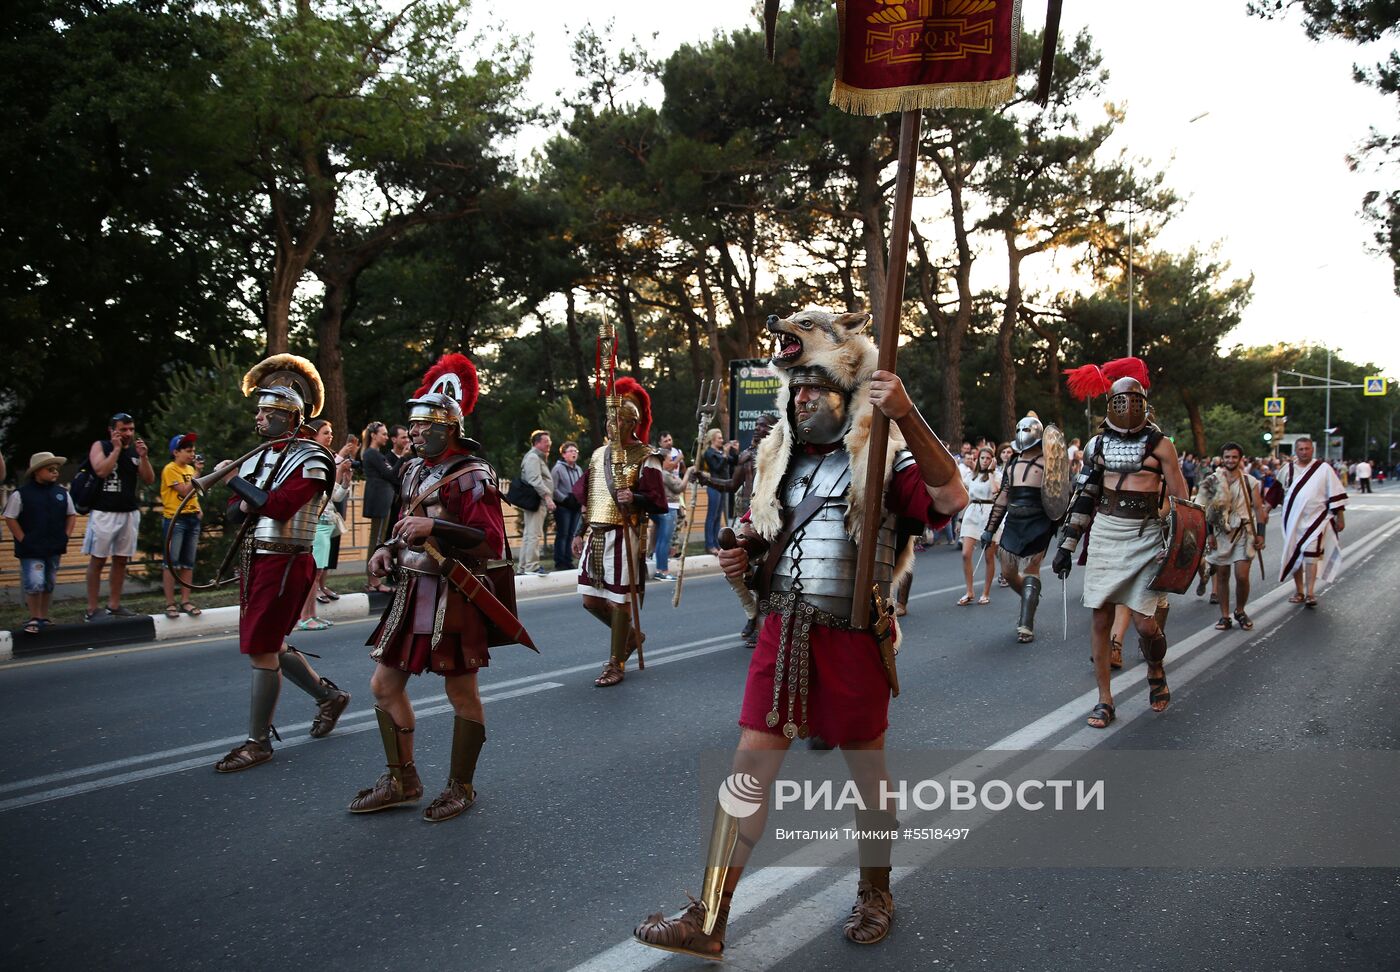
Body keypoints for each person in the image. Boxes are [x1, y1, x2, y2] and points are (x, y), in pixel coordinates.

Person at [632, 308, 967, 959]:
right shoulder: (775, 464)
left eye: (817, 386)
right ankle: (710, 915)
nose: (804, 397)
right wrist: (745, 563)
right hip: (783, 633)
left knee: (867, 775)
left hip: (852, 636)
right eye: (799, 387)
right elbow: (771, 556)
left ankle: (876, 891)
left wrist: (905, 413)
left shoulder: (882, 462)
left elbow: (952, 498)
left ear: (846, 395)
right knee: (747, 771)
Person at [352, 352, 510, 822]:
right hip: (410, 591)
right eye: (412, 426)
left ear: (450, 428)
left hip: (454, 593)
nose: (414, 433)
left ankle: (461, 786)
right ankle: (403, 779)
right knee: (383, 684)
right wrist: (386, 547)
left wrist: (435, 530)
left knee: (461, 693)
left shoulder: (474, 475)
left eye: (424, 426)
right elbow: (407, 522)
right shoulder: (414, 471)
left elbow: (489, 542)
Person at [208, 354, 352, 773]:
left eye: (266, 412)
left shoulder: (312, 458)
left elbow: (279, 508)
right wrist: (237, 488)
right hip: (259, 559)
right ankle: (328, 696)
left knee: (261, 649)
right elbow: (236, 512)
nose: (258, 419)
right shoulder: (257, 457)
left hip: (288, 560)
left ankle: (258, 744)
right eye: (259, 411)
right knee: (270, 643)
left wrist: (232, 480)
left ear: (288, 416)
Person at [1054, 357, 1189, 729]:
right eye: (1119, 399)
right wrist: (1067, 545)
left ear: (1145, 402)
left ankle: (1156, 670)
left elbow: (1183, 502)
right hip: (1106, 535)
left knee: (1147, 625)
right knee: (1100, 619)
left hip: (1145, 536)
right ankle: (1104, 699)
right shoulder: (1097, 445)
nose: (1127, 405)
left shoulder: (1161, 446)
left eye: (1133, 398)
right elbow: (1084, 496)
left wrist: (1180, 549)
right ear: (1109, 403)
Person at [572, 377, 666, 687]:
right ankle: (631, 636)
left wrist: (635, 497)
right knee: (590, 600)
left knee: (619, 600)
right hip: (596, 533)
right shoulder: (598, 454)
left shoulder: (647, 456)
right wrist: (577, 531)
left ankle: (617, 662)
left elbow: (658, 501)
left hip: (625, 533)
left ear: (631, 423)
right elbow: (586, 496)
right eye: (610, 420)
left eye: (618, 420)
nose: (612, 426)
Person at [979, 412, 1062, 643]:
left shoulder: (1050, 463)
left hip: (1039, 522)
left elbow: (1059, 496)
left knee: (1032, 570)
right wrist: (989, 527)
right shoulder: (1012, 462)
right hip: (1014, 521)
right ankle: (1030, 596)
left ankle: (1026, 623)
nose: (1022, 436)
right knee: (1007, 571)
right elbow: (1004, 496)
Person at [699, 414, 775, 639]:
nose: (757, 428)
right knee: (734, 570)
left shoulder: (781, 456)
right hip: (746, 520)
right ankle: (751, 613)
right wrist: (706, 479)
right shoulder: (746, 456)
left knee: (763, 574)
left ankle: (764, 624)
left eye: (763, 425)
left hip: (769, 521)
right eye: (757, 424)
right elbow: (732, 485)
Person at [82, 412, 155, 621]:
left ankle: (114, 605)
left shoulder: (134, 451)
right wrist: (115, 449)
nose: (128, 433)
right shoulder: (101, 446)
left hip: (128, 512)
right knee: (98, 560)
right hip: (104, 512)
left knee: (121, 560)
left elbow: (149, 479)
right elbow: (101, 471)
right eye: (123, 429)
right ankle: (92, 608)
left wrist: (143, 457)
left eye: (131, 429)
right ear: (112, 430)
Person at [1196, 442, 1268, 631]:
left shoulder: (1250, 481)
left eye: (1234, 457)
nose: (1230, 460)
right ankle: (1225, 616)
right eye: (1227, 457)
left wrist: (1261, 534)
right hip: (1220, 534)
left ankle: (1240, 611)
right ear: (1222, 458)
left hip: (1244, 533)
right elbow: (1203, 509)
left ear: (1240, 459)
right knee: (1222, 576)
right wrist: (1209, 535)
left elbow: (1259, 509)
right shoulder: (1212, 481)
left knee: (1242, 576)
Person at [4, 452, 76, 634]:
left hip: (54, 546)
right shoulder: (21, 494)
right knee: (34, 582)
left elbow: (71, 514)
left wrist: (66, 535)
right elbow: (10, 517)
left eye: (56, 469)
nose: (55, 473)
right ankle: (34, 616)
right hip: (31, 548)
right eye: (50, 469)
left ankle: (43, 616)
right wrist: (23, 538)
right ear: (37, 471)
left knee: (49, 582)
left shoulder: (61, 493)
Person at [1277, 435, 1346, 608]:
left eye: (1307, 448)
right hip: (1293, 521)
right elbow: (1275, 493)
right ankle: (1299, 591)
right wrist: (1265, 509)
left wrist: (1340, 517)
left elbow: (1335, 492)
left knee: (1310, 556)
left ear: (1312, 450)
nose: (1304, 452)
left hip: (1316, 520)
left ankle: (1310, 593)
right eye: (1300, 449)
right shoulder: (1288, 470)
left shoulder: (1323, 469)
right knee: (1295, 554)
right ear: (1295, 451)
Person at [296, 419, 349, 631]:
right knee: (313, 572)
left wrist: (345, 481)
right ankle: (304, 617)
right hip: (316, 522)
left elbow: (334, 495)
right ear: (314, 436)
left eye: (330, 432)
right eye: (325, 432)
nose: (330, 436)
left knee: (317, 573)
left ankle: (311, 615)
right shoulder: (312, 459)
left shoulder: (325, 459)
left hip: (326, 522)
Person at [159, 434, 203, 619]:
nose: (191, 454)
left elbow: (193, 494)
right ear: (175, 452)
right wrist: (198, 473)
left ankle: (185, 600)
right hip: (175, 520)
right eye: (187, 450)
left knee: (188, 563)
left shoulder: (190, 469)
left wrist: (198, 508)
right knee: (171, 563)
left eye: (193, 450)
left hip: (191, 518)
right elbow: (184, 490)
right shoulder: (170, 469)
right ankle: (170, 603)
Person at [958, 446, 1000, 605]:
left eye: (988, 458)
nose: (984, 461)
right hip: (972, 513)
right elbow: (967, 498)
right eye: (982, 458)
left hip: (989, 514)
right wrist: (960, 519)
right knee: (965, 554)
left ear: (992, 460)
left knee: (989, 556)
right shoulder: (971, 476)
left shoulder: (996, 475)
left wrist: (990, 472)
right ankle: (969, 591)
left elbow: (995, 490)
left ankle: (986, 592)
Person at [360, 421, 398, 581]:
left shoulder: (374, 454)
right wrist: (403, 458)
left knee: (378, 537)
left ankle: (373, 579)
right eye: (383, 434)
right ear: (373, 435)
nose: (386, 437)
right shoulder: (371, 453)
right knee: (377, 539)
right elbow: (390, 474)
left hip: (382, 498)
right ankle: (373, 579)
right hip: (379, 499)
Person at [518, 430, 554, 575]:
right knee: (533, 534)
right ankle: (532, 567)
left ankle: (523, 567)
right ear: (537, 443)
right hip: (537, 501)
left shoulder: (536, 457)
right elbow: (535, 480)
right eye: (546, 441)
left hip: (536, 500)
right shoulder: (533, 457)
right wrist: (547, 497)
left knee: (529, 534)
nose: (549, 444)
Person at [551, 440, 584, 570]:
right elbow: (553, 488)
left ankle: (568, 560)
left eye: (575, 451)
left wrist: (580, 499)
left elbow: (581, 486)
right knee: (563, 533)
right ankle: (560, 561)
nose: (574, 453)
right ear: (564, 454)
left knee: (572, 533)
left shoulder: (578, 469)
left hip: (575, 506)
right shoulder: (558, 468)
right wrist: (565, 499)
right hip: (563, 506)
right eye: (570, 451)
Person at [701, 428, 728, 554]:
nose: (722, 440)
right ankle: (709, 544)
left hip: (722, 485)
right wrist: (724, 456)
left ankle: (717, 543)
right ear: (712, 439)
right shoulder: (709, 453)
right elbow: (716, 468)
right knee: (711, 516)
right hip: (713, 485)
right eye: (719, 438)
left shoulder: (720, 451)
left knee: (718, 516)